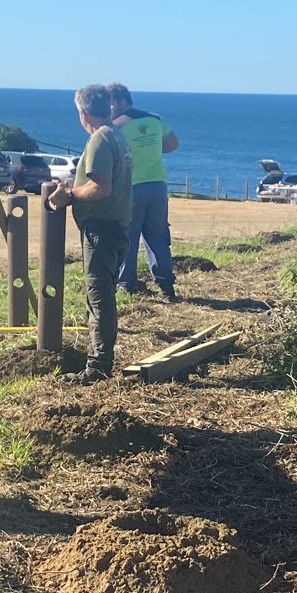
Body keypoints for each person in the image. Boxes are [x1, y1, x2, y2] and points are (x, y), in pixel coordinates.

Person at [44, 84, 133, 383]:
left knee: (99, 297)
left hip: (101, 229)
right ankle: (98, 359)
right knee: (101, 295)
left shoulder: (99, 139)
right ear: (107, 107)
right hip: (115, 225)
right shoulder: (117, 135)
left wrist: (69, 193)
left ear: (83, 113)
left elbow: (99, 187)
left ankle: (98, 366)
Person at [107, 83, 180, 299]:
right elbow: (172, 144)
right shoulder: (154, 119)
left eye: (110, 104)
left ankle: (126, 285)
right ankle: (166, 286)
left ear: (121, 101)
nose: (108, 109)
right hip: (157, 184)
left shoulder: (116, 125)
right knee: (157, 237)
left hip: (131, 187)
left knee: (127, 237)